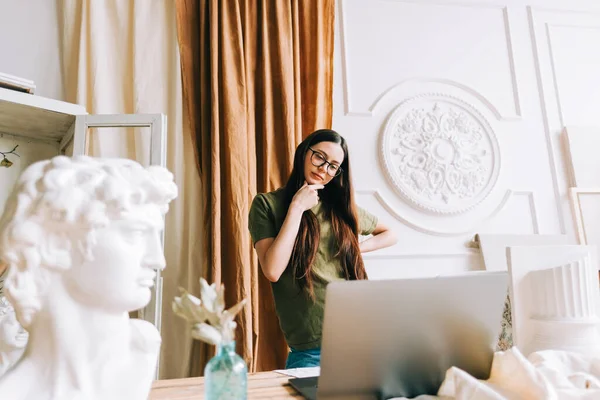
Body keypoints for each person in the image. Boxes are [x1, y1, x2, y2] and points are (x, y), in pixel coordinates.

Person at [0, 156, 177, 400]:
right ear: (56, 244)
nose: (158, 260)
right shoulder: (14, 393)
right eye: (134, 234)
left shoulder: (142, 344)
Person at [249, 129, 397, 369]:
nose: (323, 168)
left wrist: (358, 248)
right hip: (310, 348)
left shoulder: (339, 207)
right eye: (319, 157)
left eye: (333, 166)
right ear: (304, 152)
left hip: (360, 333)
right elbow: (273, 270)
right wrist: (297, 207)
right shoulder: (267, 205)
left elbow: (390, 234)